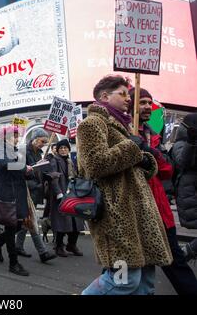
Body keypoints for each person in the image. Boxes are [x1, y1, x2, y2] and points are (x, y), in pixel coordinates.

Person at [77, 75, 172, 295]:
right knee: (123, 280)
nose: (128, 98)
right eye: (121, 93)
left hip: (140, 217)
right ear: (104, 96)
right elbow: (95, 165)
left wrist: (146, 158)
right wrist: (131, 147)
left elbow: (134, 169)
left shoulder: (123, 127)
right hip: (117, 217)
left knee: (145, 283)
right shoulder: (92, 124)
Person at [129, 88, 197, 295]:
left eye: (149, 103)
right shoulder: (123, 132)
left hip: (159, 207)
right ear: (130, 105)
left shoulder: (153, 135)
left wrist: (149, 152)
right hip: (133, 208)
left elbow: (167, 169)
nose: (148, 107)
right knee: (124, 268)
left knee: (172, 258)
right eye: (142, 103)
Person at [0, 126, 32, 276]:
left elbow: (19, 171)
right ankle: (13, 263)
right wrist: (23, 167)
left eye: (16, 135)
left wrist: (30, 171)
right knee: (11, 227)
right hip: (8, 194)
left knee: (17, 225)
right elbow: (5, 164)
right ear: (5, 137)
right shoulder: (1, 149)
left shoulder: (15, 150)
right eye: (13, 135)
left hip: (17, 193)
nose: (16, 138)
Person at [15, 129, 57, 263]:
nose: (43, 144)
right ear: (34, 139)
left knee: (25, 221)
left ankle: (16, 246)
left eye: (45, 142)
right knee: (31, 220)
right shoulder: (22, 151)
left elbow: (39, 170)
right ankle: (42, 252)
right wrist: (33, 170)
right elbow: (20, 171)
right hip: (26, 190)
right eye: (42, 141)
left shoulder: (39, 153)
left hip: (35, 190)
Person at [46, 139, 85, 258]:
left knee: (77, 221)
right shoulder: (54, 161)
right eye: (61, 148)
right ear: (57, 150)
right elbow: (53, 178)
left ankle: (71, 245)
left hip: (73, 194)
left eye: (65, 148)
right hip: (62, 195)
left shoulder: (70, 161)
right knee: (62, 223)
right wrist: (58, 193)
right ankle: (59, 246)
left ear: (69, 149)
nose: (63, 150)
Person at [170, 113, 197, 263]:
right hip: (191, 193)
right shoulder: (180, 144)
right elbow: (183, 162)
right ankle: (188, 251)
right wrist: (192, 142)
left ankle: (188, 251)